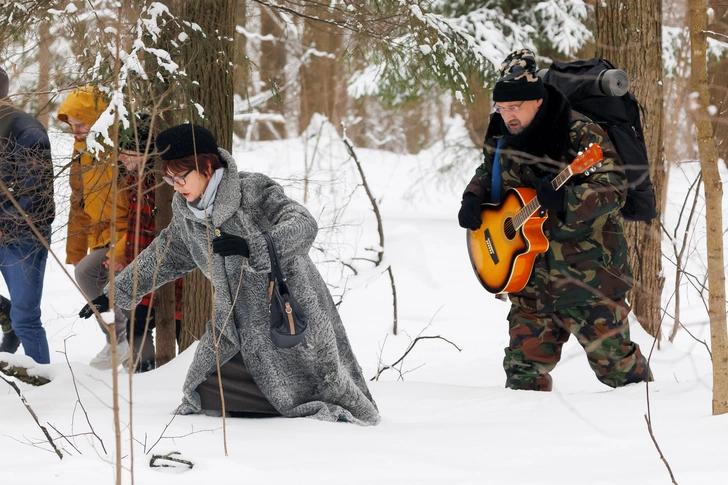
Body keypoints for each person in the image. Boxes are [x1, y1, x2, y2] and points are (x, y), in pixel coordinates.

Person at [79, 123, 380, 425]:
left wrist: (254, 247)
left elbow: (304, 225)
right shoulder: (186, 212)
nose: (175, 185)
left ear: (206, 167)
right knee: (205, 395)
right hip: (232, 322)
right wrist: (116, 294)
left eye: (180, 176)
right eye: (169, 178)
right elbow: (164, 256)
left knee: (310, 393)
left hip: (285, 312)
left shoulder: (254, 191)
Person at [457, 49, 651, 391]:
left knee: (624, 377)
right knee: (522, 377)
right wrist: (473, 196)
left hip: (588, 281)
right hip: (529, 282)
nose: (507, 116)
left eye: (514, 107)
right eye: (501, 108)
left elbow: (613, 187)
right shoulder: (503, 133)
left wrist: (566, 199)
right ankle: (532, 442)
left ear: (536, 100)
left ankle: (654, 434)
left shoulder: (578, 131)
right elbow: (489, 170)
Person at [57, 86, 130, 369]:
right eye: (72, 126)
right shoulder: (81, 153)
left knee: (90, 274)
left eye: (81, 124)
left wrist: (123, 247)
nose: (76, 131)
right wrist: (75, 248)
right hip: (100, 237)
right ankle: (119, 342)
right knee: (89, 273)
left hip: (126, 235)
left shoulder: (121, 148)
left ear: (98, 118)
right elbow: (78, 204)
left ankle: (122, 342)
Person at [117, 114, 183, 372]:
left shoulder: (159, 184)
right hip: (140, 269)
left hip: (166, 272)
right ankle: (143, 375)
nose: (121, 158)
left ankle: (175, 377)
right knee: (136, 324)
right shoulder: (134, 178)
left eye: (127, 153)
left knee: (178, 325)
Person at [0, 66, 55, 363]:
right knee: (17, 316)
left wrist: (4, 225)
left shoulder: (26, 130)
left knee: (25, 318)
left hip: (22, 239)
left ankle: (42, 386)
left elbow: (37, 196)